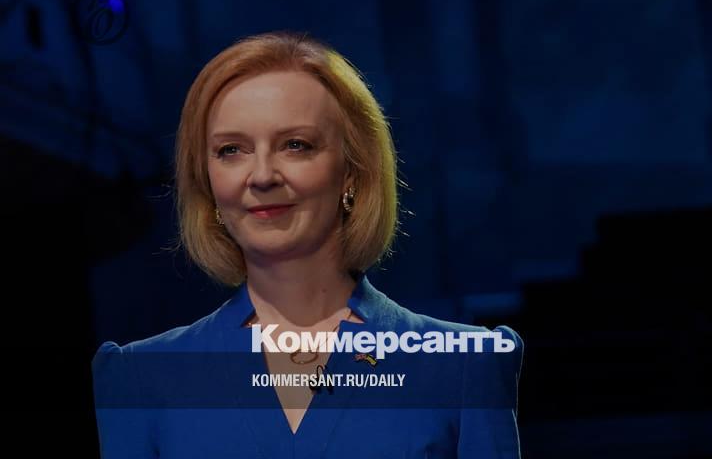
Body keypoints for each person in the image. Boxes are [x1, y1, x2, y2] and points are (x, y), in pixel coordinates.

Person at [91, 32, 523, 458]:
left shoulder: (463, 366)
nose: (262, 176)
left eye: (295, 145)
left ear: (351, 172)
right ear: (206, 181)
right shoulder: (142, 378)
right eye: (231, 150)